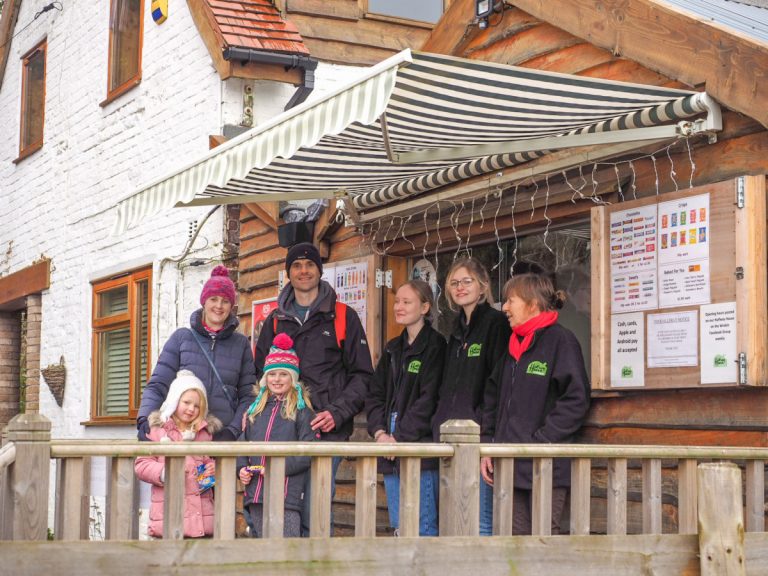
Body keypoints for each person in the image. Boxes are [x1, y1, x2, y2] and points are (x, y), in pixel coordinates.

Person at [254, 242, 374, 532]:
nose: (303, 270)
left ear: (319, 271)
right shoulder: (273, 321)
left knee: (316, 510)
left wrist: (337, 412)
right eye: (296, 265)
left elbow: (363, 376)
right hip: (282, 431)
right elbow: (259, 376)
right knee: (280, 508)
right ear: (288, 273)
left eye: (310, 265)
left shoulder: (344, 316)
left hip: (325, 431)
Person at [480, 273, 590, 535]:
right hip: (510, 465)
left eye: (510, 300)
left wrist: (541, 441)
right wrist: (488, 445)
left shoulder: (561, 341)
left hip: (546, 465)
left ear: (532, 303)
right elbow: (492, 399)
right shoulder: (513, 346)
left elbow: (576, 399)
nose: (504, 307)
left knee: (543, 540)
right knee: (513, 540)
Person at [431, 257, 510, 535]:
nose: (460, 287)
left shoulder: (496, 323)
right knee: (451, 518)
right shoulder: (454, 329)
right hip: (450, 438)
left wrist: (487, 437)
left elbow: (497, 384)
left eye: (467, 281)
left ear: (483, 285)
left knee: (481, 519)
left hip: (479, 438)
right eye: (454, 283)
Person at [137, 265, 255, 442]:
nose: (219, 306)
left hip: (222, 438)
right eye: (213, 299)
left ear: (231, 306)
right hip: (182, 436)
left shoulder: (241, 344)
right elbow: (158, 384)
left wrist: (233, 430)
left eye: (225, 301)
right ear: (204, 302)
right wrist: (144, 418)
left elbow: (249, 395)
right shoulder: (181, 339)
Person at [366, 280, 445, 536]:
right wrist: (380, 433)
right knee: (399, 522)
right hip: (388, 441)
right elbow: (375, 395)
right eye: (397, 301)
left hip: (417, 442)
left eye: (406, 302)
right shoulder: (392, 348)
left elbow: (429, 400)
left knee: (422, 524)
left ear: (425, 307)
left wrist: (398, 437)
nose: (398, 307)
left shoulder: (436, 346)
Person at [238, 333, 317, 538]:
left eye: (283, 374)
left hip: (286, 494)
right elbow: (241, 444)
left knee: (288, 547)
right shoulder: (256, 409)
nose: (277, 379)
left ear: (293, 378)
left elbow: (307, 451)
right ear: (265, 378)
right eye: (272, 374)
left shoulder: (301, 411)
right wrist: (241, 469)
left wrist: (276, 468)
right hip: (256, 493)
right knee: (263, 545)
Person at [134, 370, 219, 538]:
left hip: (202, 517)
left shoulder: (203, 433)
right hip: (168, 516)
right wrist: (164, 472)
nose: (191, 409)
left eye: (197, 406)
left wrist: (212, 469)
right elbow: (142, 464)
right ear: (174, 401)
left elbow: (209, 461)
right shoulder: (158, 431)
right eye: (186, 402)